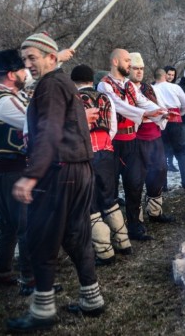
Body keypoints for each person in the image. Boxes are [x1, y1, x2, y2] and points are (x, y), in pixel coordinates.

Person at [8, 33, 104, 332]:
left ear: (49, 57)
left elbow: (48, 132)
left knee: (41, 238)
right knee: (76, 235)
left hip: (59, 171)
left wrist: (32, 174)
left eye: (32, 58)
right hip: (80, 169)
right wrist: (58, 56)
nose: (27, 64)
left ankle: (43, 310)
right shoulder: (63, 83)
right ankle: (92, 298)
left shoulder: (50, 87)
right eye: (24, 60)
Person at [98, 49, 166, 241]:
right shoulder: (105, 86)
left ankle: (135, 226)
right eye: (127, 61)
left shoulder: (129, 85)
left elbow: (143, 101)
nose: (129, 64)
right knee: (109, 188)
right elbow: (119, 106)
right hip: (114, 143)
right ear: (115, 61)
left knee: (135, 184)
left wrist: (160, 112)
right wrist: (143, 114)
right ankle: (112, 231)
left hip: (132, 141)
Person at [0, 49, 34, 294]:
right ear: (12, 74)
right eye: (23, 69)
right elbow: (34, 122)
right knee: (26, 226)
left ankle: (2, 274)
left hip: (3, 170)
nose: (27, 73)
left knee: (9, 226)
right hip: (10, 171)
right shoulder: (3, 100)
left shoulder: (8, 94)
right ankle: (30, 279)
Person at [71, 64, 133, 267]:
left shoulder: (73, 100)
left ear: (74, 81)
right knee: (109, 198)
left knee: (90, 204)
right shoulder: (105, 98)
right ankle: (123, 242)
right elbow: (113, 127)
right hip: (107, 153)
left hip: (84, 155)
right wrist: (105, 144)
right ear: (91, 80)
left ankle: (105, 252)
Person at [128, 53, 176, 223]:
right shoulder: (124, 89)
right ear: (128, 68)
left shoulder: (149, 88)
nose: (139, 71)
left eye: (141, 68)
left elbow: (160, 106)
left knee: (159, 174)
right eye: (135, 68)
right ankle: (136, 219)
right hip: (136, 140)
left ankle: (155, 212)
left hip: (155, 138)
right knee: (136, 180)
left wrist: (164, 116)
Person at [152, 67, 185, 193]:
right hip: (176, 122)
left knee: (162, 155)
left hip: (160, 124)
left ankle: (163, 185)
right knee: (181, 155)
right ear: (165, 76)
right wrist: (180, 113)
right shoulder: (175, 87)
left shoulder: (152, 88)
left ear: (154, 77)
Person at [163, 65, 179, 170]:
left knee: (172, 142)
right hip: (162, 117)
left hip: (174, 118)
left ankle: (170, 162)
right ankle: (163, 163)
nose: (170, 77)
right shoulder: (157, 86)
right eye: (169, 74)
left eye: (173, 75)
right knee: (164, 143)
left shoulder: (175, 87)